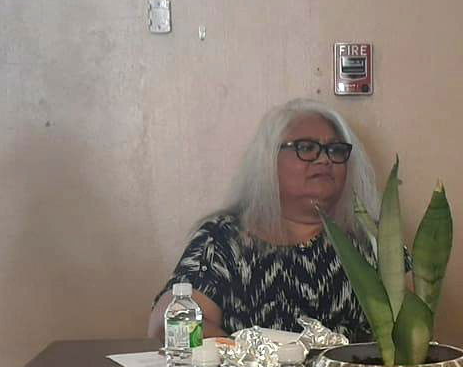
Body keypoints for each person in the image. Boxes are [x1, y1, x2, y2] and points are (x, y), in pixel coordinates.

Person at [148, 99, 378, 340]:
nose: (325, 160)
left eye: (336, 150)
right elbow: (168, 325)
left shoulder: (369, 239)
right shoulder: (224, 239)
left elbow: (414, 327)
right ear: (268, 159)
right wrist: (245, 357)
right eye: (307, 148)